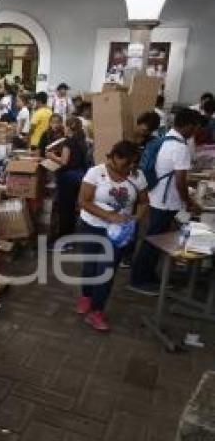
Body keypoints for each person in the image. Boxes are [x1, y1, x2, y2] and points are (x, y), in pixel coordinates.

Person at [76, 141, 148, 331]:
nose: (129, 167)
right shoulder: (96, 173)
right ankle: (86, 295)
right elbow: (83, 201)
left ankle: (97, 311)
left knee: (106, 270)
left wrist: (134, 219)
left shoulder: (137, 176)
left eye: (133, 163)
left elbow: (143, 202)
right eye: (125, 163)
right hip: (92, 226)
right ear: (113, 157)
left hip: (117, 233)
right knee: (90, 265)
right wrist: (109, 216)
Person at [129, 108, 201, 295]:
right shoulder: (180, 147)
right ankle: (138, 280)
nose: (195, 132)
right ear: (188, 125)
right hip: (166, 200)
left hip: (157, 196)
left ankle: (148, 275)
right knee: (153, 242)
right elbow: (180, 181)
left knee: (154, 240)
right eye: (195, 128)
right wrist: (188, 201)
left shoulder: (165, 139)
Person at [47, 117, 90, 245]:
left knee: (65, 209)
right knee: (72, 209)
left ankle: (64, 240)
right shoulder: (82, 140)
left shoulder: (69, 142)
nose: (63, 128)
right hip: (79, 175)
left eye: (65, 126)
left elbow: (64, 161)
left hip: (68, 178)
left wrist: (52, 156)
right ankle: (70, 237)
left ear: (69, 128)